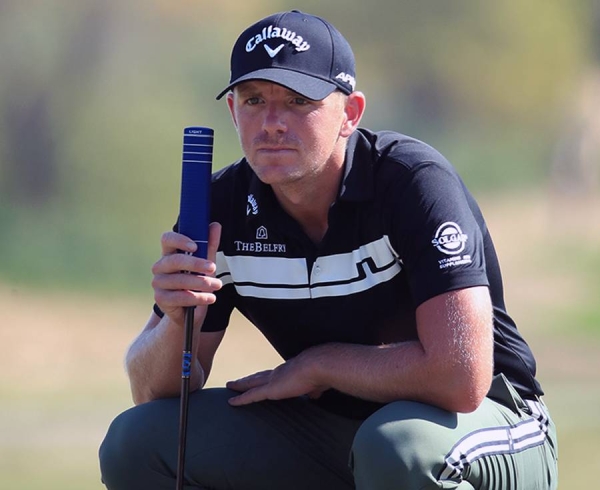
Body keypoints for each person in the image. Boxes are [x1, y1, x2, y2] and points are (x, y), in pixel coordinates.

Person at [99, 10, 558, 490]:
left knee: (396, 449)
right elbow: (153, 392)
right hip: (339, 431)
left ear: (350, 114)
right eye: (254, 100)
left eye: (299, 100)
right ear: (233, 112)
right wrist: (176, 321)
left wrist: (319, 364)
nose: (272, 123)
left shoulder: (412, 183)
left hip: (492, 420)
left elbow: (461, 380)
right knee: (137, 441)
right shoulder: (222, 207)